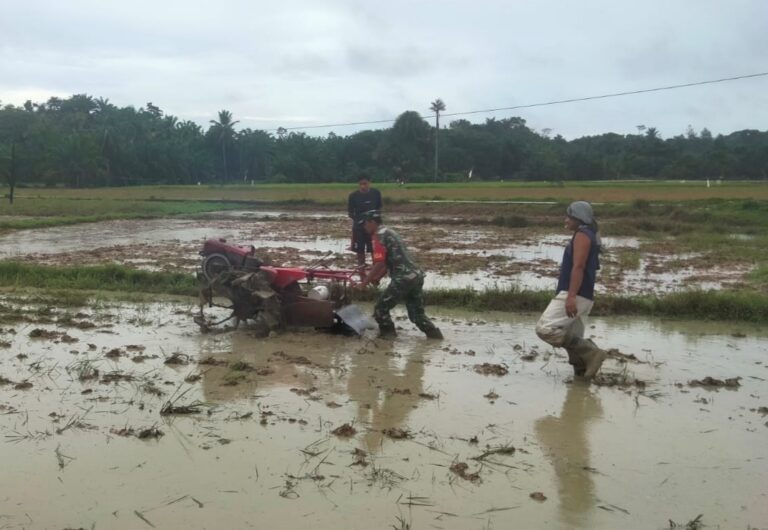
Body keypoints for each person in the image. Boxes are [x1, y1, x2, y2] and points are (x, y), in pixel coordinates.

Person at [535, 201, 607, 378]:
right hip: (584, 295)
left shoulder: (582, 235)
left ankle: (591, 352)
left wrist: (570, 297)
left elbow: (579, 267)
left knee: (545, 329)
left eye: (569, 216)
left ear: (578, 218)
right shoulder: (587, 234)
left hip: (576, 294)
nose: (565, 219)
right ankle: (581, 382)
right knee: (573, 341)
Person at [357, 210, 443, 340]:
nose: (364, 227)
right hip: (416, 276)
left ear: (372, 222)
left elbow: (379, 262)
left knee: (381, 309)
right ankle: (436, 337)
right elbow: (388, 261)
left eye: (365, 224)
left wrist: (363, 283)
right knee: (417, 315)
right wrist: (377, 278)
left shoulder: (378, 236)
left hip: (403, 278)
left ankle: (388, 339)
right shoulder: (390, 232)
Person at [347, 175, 383, 266]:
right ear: (358, 184)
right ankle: (361, 270)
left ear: (369, 183)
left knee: (374, 250)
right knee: (360, 250)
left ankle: (375, 270)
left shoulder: (376, 193)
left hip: (372, 228)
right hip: (359, 227)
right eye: (361, 184)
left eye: (365, 184)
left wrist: (374, 221)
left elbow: (379, 208)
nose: (363, 186)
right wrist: (359, 221)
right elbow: (350, 213)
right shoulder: (353, 196)